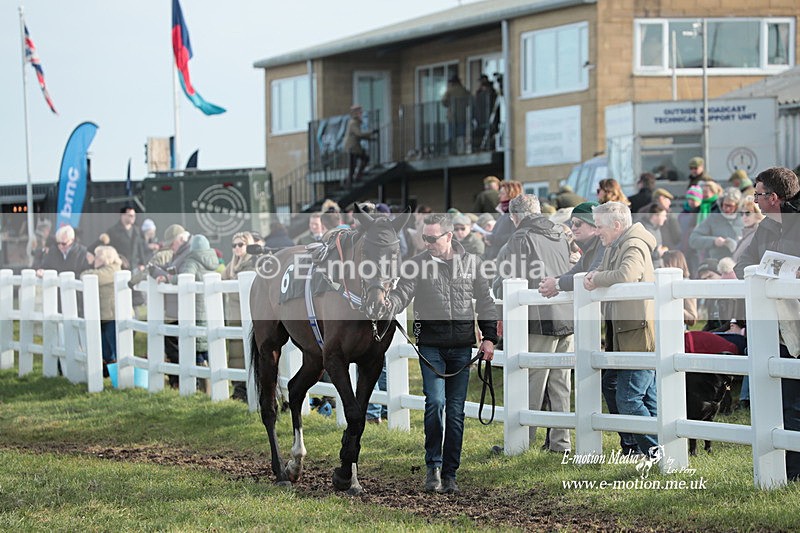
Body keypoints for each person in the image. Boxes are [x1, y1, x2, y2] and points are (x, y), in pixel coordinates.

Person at [386, 213, 498, 494]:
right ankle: (433, 467)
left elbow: (485, 302)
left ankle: (450, 473)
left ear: (449, 237)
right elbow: (403, 293)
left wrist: (489, 338)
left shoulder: (472, 263)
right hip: (431, 346)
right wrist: (387, 304)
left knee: (456, 412)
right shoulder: (416, 265)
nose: (427, 243)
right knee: (435, 403)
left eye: (432, 238)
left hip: (461, 347)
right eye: (424, 237)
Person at [732, 166, 800, 481]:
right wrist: (769, 272)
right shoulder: (765, 227)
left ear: (774, 197)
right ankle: (790, 471)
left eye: (758, 194)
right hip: (777, 325)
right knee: (785, 400)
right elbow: (742, 265)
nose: (755, 200)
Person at [493, 194, 574, 453]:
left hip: (538, 318)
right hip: (567, 314)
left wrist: (497, 297)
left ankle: (521, 442)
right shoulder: (560, 234)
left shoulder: (519, 238)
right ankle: (561, 442)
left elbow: (509, 280)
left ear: (514, 216)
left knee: (532, 383)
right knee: (560, 384)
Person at [584, 202, 658, 456]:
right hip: (626, 334)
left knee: (628, 398)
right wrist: (595, 275)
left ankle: (654, 450)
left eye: (599, 226)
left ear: (616, 225)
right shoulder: (616, 244)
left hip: (637, 336)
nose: (596, 232)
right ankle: (646, 447)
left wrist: (595, 279)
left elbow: (627, 274)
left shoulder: (633, 244)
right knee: (628, 391)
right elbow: (604, 270)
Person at [222, 231, 257, 401]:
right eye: (234, 245)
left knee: (247, 352)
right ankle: (238, 388)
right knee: (235, 353)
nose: (237, 248)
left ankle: (247, 389)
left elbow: (244, 292)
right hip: (234, 316)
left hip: (248, 315)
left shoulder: (252, 264)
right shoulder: (231, 265)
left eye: (240, 245)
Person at [81, 245, 122, 368]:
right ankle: (111, 372)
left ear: (105, 258)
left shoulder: (112, 270)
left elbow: (90, 277)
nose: (94, 259)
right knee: (106, 349)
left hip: (112, 316)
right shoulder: (105, 270)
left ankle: (122, 374)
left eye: (97, 256)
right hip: (105, 316)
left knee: (116, 348)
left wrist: (84, 273)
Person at [689, 187, 743, 262]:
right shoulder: (713, 218)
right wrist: (714, 241)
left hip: (740, 262)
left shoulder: (744, 218)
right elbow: (693, 239)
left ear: (737, 206)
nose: (727, 209)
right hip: (718, 262)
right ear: (721, 203)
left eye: (730, 206)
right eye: (725, 205)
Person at [485, 180, 523, 260]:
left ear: (511, 194)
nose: (499, 196)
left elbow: (515, 237)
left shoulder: (515, 213)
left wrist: (494, 239)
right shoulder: (503, 212)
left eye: (502, 193)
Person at [105, 206, 148, 271]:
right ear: (123, 215)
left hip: (135, 267)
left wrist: (143, 264)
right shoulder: (113, 231)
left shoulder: (137, 231)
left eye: (134, 216)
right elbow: (109, 250)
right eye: (130, 215)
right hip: (120, 267)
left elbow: (141, 248)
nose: (133, 218)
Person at [661, 250, 697, 327]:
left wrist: (674, 306)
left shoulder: (686, 285)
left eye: (665, 266)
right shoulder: (660, 284)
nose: (661, 269)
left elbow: (692, 318)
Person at [344, 105, 376, 185]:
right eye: (360, 112)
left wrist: (370, 138)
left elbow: (359, 135)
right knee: (353, 166)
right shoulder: (353, 123)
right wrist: (371, 132)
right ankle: (350, 182)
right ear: (356, 113)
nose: (361, 113)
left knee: (364, 159)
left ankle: (357, 177)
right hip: (352, 147)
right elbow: (359, 134)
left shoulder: (356, 122)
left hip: (356, 147)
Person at [441, 75, 471, 154]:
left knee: (452, 135)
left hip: (452, 117)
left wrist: (449, 104)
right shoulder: (464, 91)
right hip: (462, 116)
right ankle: (462, 150)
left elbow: (443, 101)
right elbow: (469, 101)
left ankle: (452, 151)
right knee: (461, 135)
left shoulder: (449, 91)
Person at [472, 74, 497, 152]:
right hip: (481, 120)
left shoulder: (490, 93)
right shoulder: (479, 93)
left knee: (488, 135)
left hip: (488, 119)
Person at [641, 204, 669, 268]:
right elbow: (643, 252)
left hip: (658, 266)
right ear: (655, 216)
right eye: (663, 216)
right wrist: (659, 253)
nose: (665, 218)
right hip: (649, 268)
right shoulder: (645, 230)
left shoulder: (657, 228)